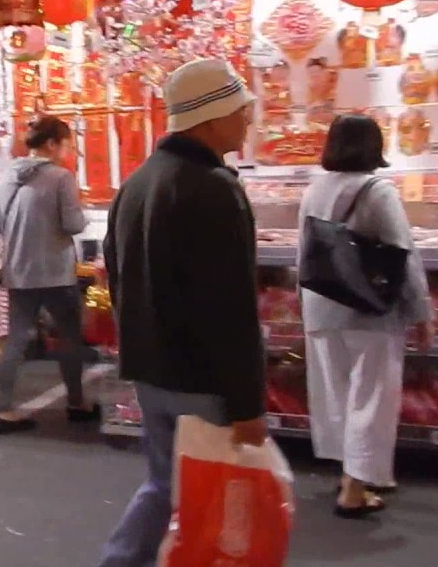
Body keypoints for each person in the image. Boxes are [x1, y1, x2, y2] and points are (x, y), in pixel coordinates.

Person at [98, 58, 267, 567]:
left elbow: (115, 272)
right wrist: (248, 402)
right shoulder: (215, 189)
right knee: (209, 499)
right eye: (240, 109)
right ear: (210, 117)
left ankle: (121, 561)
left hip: (153, 370)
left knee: (166, 485)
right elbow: (231, 307)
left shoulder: (137, 182)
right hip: (203, 377)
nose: (248, 118)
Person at [297, 114, 432, 518]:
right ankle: (356, 489)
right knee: (371, 397)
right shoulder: (378, 191)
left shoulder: (314, 189)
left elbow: (303, 253)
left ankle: (347, 473)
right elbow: (401, 254)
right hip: (369, 309)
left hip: (322, 307)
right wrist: (421, 311)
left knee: (335, 396)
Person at [0, 115, 93, 433]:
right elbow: (72, 224)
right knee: (68, 337)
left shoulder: (9, 175)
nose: (68, 151)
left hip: (18, 269)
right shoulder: (61, 178)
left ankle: (4, 408)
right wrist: (83, 212)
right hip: (54, 271)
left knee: (17, 337)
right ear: (52, 144)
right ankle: (76, 401)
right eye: (67, 144)